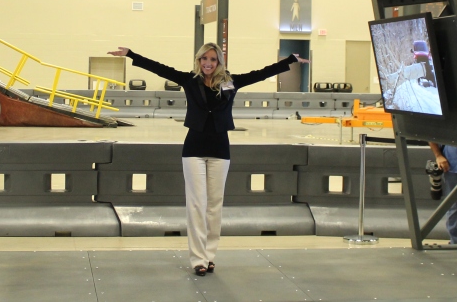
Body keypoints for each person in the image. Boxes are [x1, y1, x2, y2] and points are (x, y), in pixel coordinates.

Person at [108, 43, 308, 277]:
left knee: (214, 204)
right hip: (194, 146)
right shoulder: (189, 80)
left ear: (219, 61)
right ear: (198, 61)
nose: (208, 63)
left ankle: (209, 255)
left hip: (220, 147)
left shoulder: (230, 81)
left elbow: (260, 74)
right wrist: (131, 55)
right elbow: (159, 69)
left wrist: (289, 61)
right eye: (204, 59)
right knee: (196, 204)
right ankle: (198, 259)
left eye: (212, 59)